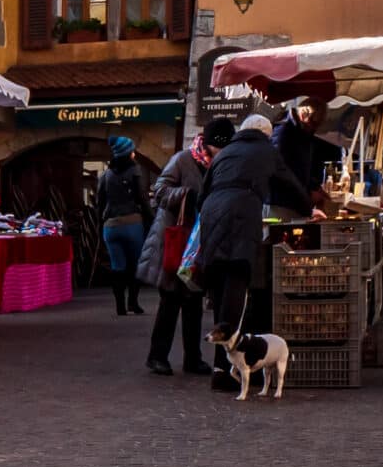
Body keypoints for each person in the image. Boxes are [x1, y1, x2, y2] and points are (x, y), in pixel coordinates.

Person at [186, 111, 312, 393]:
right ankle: (227, 370)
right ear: (266, 134)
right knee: (236, 294)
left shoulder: (225, 152)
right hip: (241, 216)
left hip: (212, 216)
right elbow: (290, 184)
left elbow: (204, 193)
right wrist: (308, 208)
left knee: (219, 295)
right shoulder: (267, 150)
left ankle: (223, 366)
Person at [145, 117, 232, 375]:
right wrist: (184, 195)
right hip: (176, 238)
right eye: (220, 147)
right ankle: (157, 357)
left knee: (193, 300)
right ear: (208, 143)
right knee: (170, 301)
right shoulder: (183, 160)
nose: (222, 153)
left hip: (199, 242)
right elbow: (159, 191)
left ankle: (192, 359)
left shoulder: (220, 165)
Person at [93, 138, 151, 318]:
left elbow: (99, 202)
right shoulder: (135, 170)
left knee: (117, 267)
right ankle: (133, 303)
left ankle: (120, 307)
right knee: (135, 266)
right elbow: (142, 198)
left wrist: (99, 224)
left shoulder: (105, 175)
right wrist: (151, 218)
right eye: (132, 150)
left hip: (111, 227)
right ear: (128, 152)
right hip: (132, 223)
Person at [271, 96, 340, 210]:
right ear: (304, 115)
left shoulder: (302, 133)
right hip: (281, 203)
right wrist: (308, 194)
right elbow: (283, 172)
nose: (315, 129)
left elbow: (302, 169)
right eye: (314, 124)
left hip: (294, 201)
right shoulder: (284, 132)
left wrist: (316, 187)